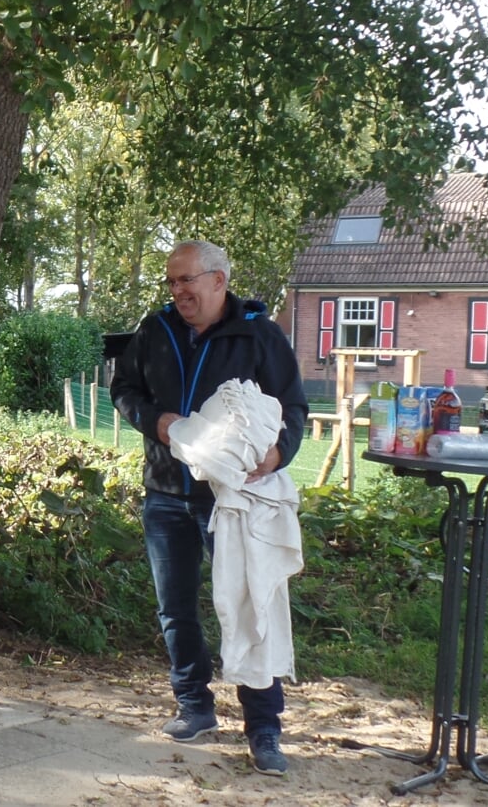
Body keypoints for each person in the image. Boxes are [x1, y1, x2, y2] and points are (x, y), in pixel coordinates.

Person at [111, 240, 307, 777]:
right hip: (166, 493)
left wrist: (278, 452)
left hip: (234, 500)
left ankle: (264, 729)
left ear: (219, 280)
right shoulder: (156, 330)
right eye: (171, 283)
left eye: (186, 281)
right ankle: (194, 708)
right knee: (175, 609)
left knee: (250, 607)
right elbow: (123, 387)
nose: (178, 292)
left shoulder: (259, 335)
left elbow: (294, 406)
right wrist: (156, 422)